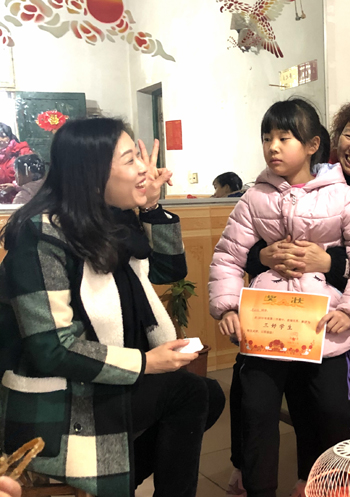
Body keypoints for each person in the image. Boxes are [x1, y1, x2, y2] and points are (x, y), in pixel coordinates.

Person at [0, 118, 226, 497]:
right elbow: (51, 349)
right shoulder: (42, 237)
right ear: (92, 176)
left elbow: (169, 270)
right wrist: (145, 363)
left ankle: (122, 475)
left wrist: (151, 206)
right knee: (188, 392)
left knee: (207, 394)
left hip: (97, 381)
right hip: (59, 397)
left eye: (139, 156)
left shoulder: (109, 222)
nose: (143, 169)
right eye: (129, 160)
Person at [228, 99, 350, 497]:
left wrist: (328, 263)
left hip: (341, 313)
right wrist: (264, 258)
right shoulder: (271, 189)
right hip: (277, 312)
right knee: (251, 387)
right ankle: (251, 473)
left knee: (323, 398)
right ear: (330, 139)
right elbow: (236, 250)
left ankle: (317, 479)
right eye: (349, 135)